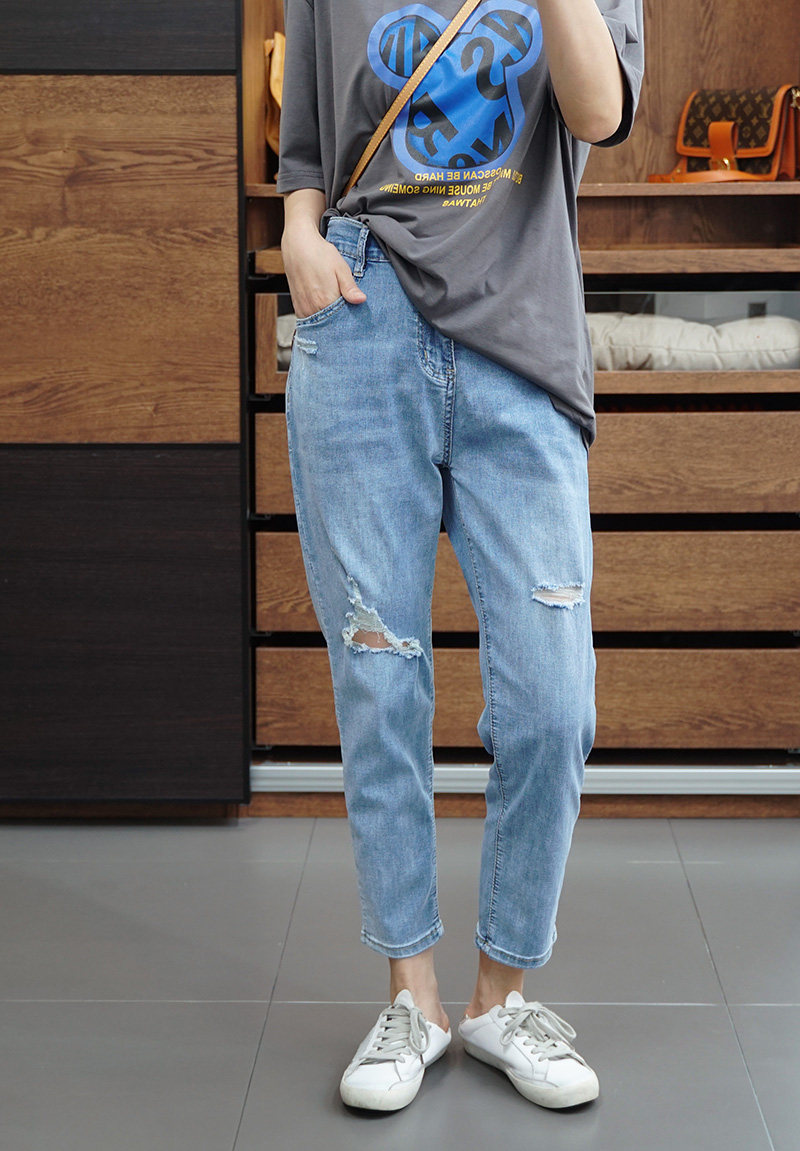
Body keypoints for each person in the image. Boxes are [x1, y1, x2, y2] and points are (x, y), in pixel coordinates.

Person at [276, 0, 644, 1115]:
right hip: (360, 315)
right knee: (378, 677)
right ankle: (413, 996)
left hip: (519, 338)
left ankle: (500, 994)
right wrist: (298, 233)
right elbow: (308, 140)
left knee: (551, 701)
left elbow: (598, 111)